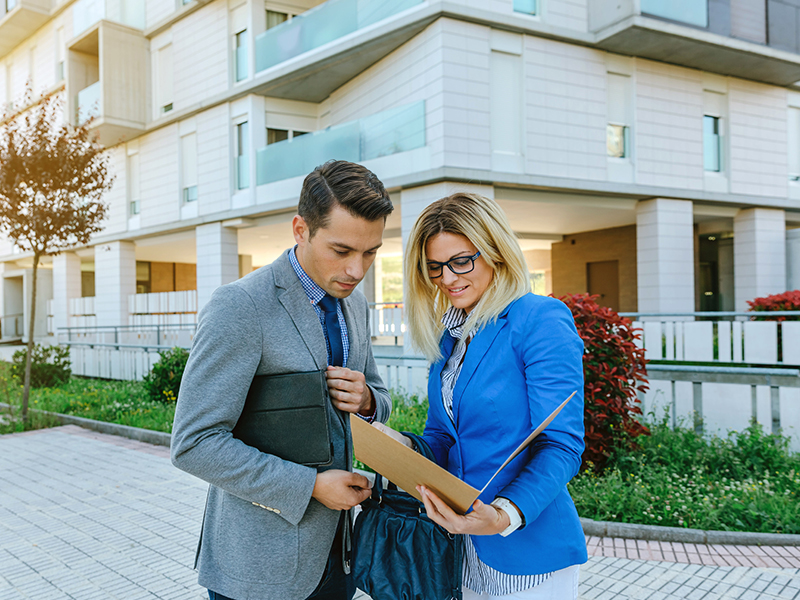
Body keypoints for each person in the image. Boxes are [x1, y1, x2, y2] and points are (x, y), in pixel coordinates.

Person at [171, 160, 393, 600]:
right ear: (300, 229)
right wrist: (310, 487)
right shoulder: (240, 306)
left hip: (340, 559)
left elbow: (379, 396)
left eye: (370, 253)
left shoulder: (356, 305)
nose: (356, 270)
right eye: (342, 250)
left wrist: (368, 400)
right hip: (258, 568)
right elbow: (193, 443)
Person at [375, 193, 587, 599]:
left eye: (461, 261)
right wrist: (398, 445)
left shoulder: (539, 319)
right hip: (461, 550)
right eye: (435, 267)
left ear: (495, 252)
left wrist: (503, 514)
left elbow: (561, 445)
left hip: (526, 548)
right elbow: (442, 437)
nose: (447, 278)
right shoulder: (450, 337)